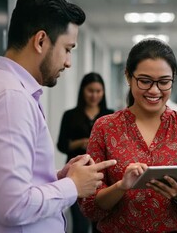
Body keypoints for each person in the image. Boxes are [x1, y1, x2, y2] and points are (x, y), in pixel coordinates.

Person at [0, 0, 116, 232]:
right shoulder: (10, 99)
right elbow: (12, 207)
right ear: (41, 41)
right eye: (67, 49)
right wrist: (73, 185)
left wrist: (58, 177)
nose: (68, 62)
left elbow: (13, 183)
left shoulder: (5, 89)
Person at [78, 38, 177, 233]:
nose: (154, 90)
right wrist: (121, 187)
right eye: (145, 81)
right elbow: (90, 206)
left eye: (164, 82)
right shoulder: (105, 127)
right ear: (128, 76)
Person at [57, 72, 114, 233]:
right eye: (90, 90)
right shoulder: (70, 115)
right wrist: (82, 143)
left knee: (101, 223)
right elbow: (61, 145)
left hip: (103, 175)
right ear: (82, 90)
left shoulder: (110, 114)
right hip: (76, 172)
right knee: (80, 224)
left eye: (98, 91)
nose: (94, 95)